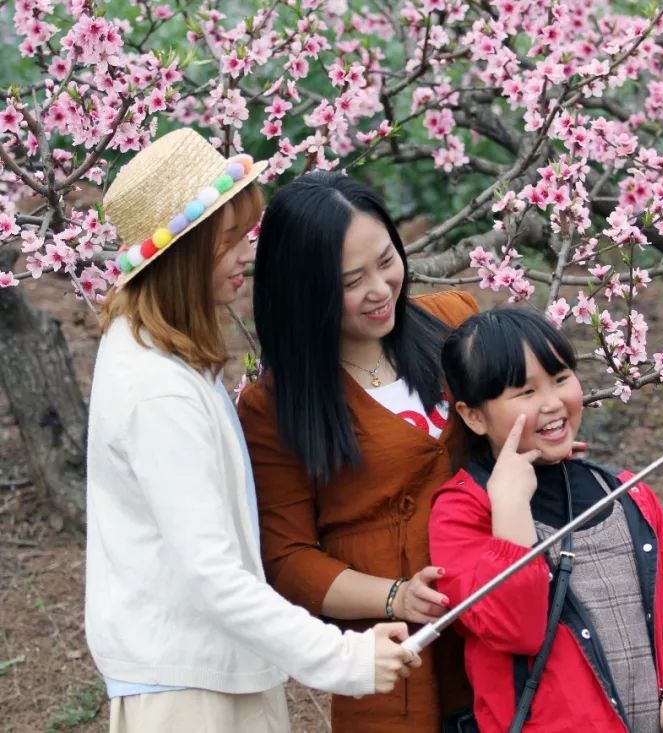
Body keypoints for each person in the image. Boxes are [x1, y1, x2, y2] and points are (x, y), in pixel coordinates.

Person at [85, 129, 419, 732]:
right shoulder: (159, 391)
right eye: (230, 240)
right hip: (192, 691)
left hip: (211, 668)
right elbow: (211, 574)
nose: (247, 255)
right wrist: (344, 656)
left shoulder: (158, 351)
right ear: (184, 254)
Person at [237, 171, 477, 732]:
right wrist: (397, 597)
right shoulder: (274, 406)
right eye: (350, 281)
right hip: (397, 645)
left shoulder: (454, 323)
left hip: (497, 611)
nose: (379, 288)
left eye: (386, 260)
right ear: (303, 291)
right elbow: (289, 558)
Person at [429, 307, 663, 733]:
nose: (552, 403)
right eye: (525, 392)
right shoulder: (462, 513)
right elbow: (516, 630)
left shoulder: (628, 494)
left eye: (561, 378)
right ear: (473, 415)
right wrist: (511, 510)